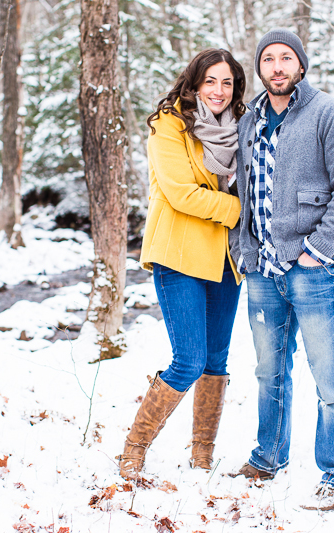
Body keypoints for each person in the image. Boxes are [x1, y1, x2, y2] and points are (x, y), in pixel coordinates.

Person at [229, 29, 334, 511]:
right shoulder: (248, 123)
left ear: (301, 66)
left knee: (329, 375)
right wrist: (243, 251)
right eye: (268, 59)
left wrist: (317, 250)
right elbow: (239, 193)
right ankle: (267, 457)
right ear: (261, 69)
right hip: (263, 270)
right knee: (269, 372)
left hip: (315, 270)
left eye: (286, 57)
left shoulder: (329, 114)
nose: (277, 66)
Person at [117, 49, 247, 480]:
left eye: (227, 82)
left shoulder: (240, 129)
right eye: (211, 81)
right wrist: (240, 209)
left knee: (216, 360)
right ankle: (134, 449)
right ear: (193, 83)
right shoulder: (169, 126)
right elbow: (181, 193)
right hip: (179, 254)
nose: (219, 90)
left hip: (226, 258)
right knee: (189, 358)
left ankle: (202, 455)